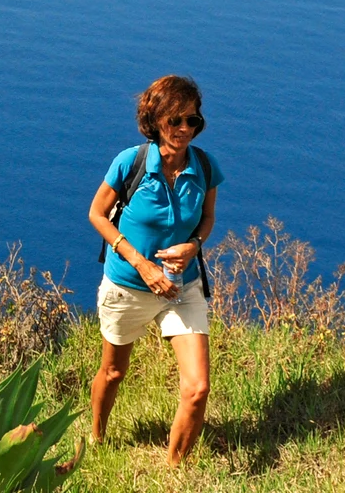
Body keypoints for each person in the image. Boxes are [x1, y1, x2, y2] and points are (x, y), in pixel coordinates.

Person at [87, 74, 223, 467]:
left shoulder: (206, 167)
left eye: (192, 121)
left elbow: (208, 218)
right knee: (113, 373)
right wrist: (141, 264)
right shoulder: (130, 162)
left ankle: (173, 470)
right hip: (128, 285)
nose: (184, 129)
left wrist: (193, 245)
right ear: (155, 120)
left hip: (183, 286)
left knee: (197, 389)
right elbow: (97, 214)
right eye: (175, 121)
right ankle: (97, 438)